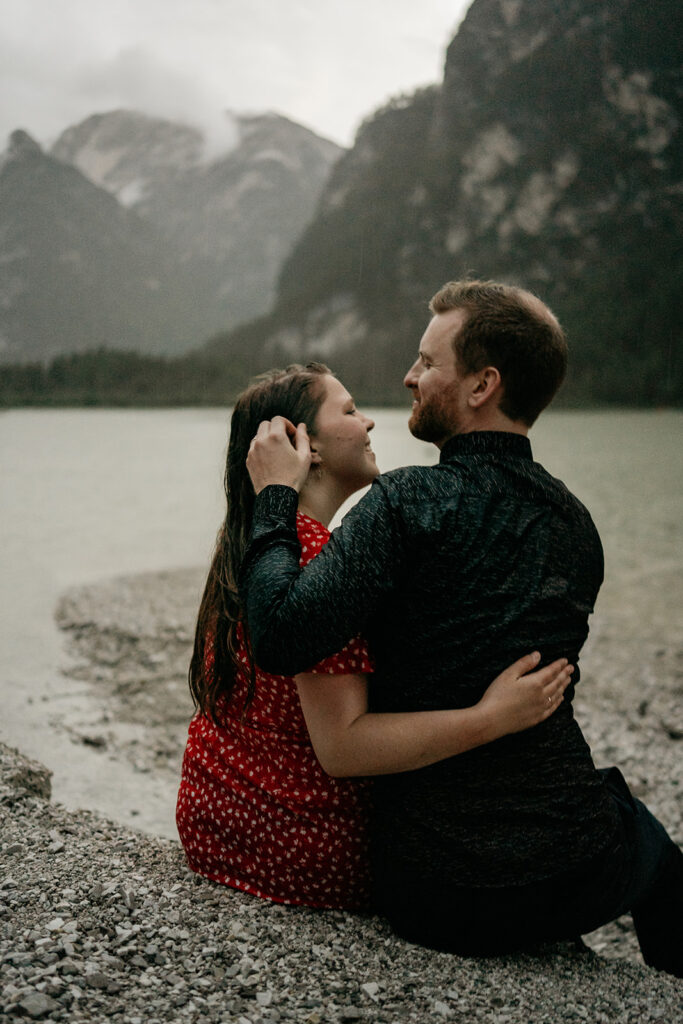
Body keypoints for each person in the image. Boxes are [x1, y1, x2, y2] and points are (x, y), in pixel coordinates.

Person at [240, 281, 683, 977]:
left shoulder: (406, 502)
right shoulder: (575, 524)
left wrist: (273, 497)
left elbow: (280, 636)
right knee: (640, 833)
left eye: (426, 362)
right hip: (575, 872)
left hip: (434, 893)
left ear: (482, 385)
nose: (409, 377)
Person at [176, 362, 572, 911]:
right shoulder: (313, 556)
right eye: (349, 410)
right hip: (299, 851)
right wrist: (490, 718)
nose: (368, 424)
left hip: (213, 821)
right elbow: (342, 747)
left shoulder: (254, 540)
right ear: (304, 446)